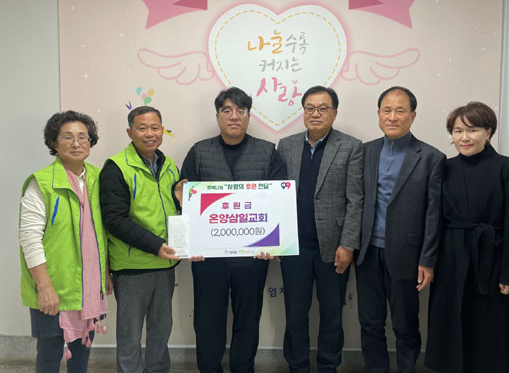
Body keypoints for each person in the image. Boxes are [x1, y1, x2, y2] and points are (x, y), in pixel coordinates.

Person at [177, 87, 286, 373]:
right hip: (208, 258)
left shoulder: (268, 152)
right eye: (227, 110)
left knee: (248, 320)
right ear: (217, 116)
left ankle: (243, 368)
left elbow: (279, 204)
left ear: (249, 116)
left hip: (253, 257)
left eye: (240, 111)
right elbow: (185, 203)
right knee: (207, 320)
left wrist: (274, 244)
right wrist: (189, 244)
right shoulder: (199, 152)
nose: (234, 116)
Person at [425, 102, 509, 373]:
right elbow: (433, 217)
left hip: (492, 259)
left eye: (472, 130)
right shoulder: (444, 167)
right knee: (452, 324)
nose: (464, 137)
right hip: (451, 259)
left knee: (490, 327)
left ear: (489, 131)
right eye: (457, 131)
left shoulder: (506, 168)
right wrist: (429, 261)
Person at [356, 86, 445, 373]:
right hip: (367, 252)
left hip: (408, 255)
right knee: (369, 322)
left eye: (400, 111)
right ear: (378, 114)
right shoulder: (365, 151)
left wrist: (427, 259)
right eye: (387, 110)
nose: (392, 117)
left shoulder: (431, 157)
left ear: (413, 116)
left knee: (405, 325)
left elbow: (434, 214)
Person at [277, 85, 363, 373]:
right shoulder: (286, 145)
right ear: (303, 112)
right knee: (295, 315)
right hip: (294, 247)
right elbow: (276, 195)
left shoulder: (350, 146)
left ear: (334, 112)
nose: (315, 113)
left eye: (323, 108)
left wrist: (348, 244)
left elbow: (355, 200)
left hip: (334, 247)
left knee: (332, 315)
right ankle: (297, 366)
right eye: (310, 108)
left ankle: (328, 366)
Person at [19, 110, 111, 373]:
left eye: (83, 137)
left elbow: (102, 231)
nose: (76, 143)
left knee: (81, 356)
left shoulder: (99, 178)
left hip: (89, 287)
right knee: (49, 358)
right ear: (54, 143)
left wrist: (105, 271)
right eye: (68, 137)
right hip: (53, 287)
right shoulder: (41, 183)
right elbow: (30, 239)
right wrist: (44, 286)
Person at [100, 106, 181, 373]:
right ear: (129, 132)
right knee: (130, 333)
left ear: (162, 130)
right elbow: (115, 220)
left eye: (155, 127)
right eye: (142, 128)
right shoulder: (116, 167)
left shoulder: (169, 165)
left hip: (165, 264)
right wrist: (155, 245)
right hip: (132, 266)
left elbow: (174, 210)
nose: (149, 133)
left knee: (161, 329)